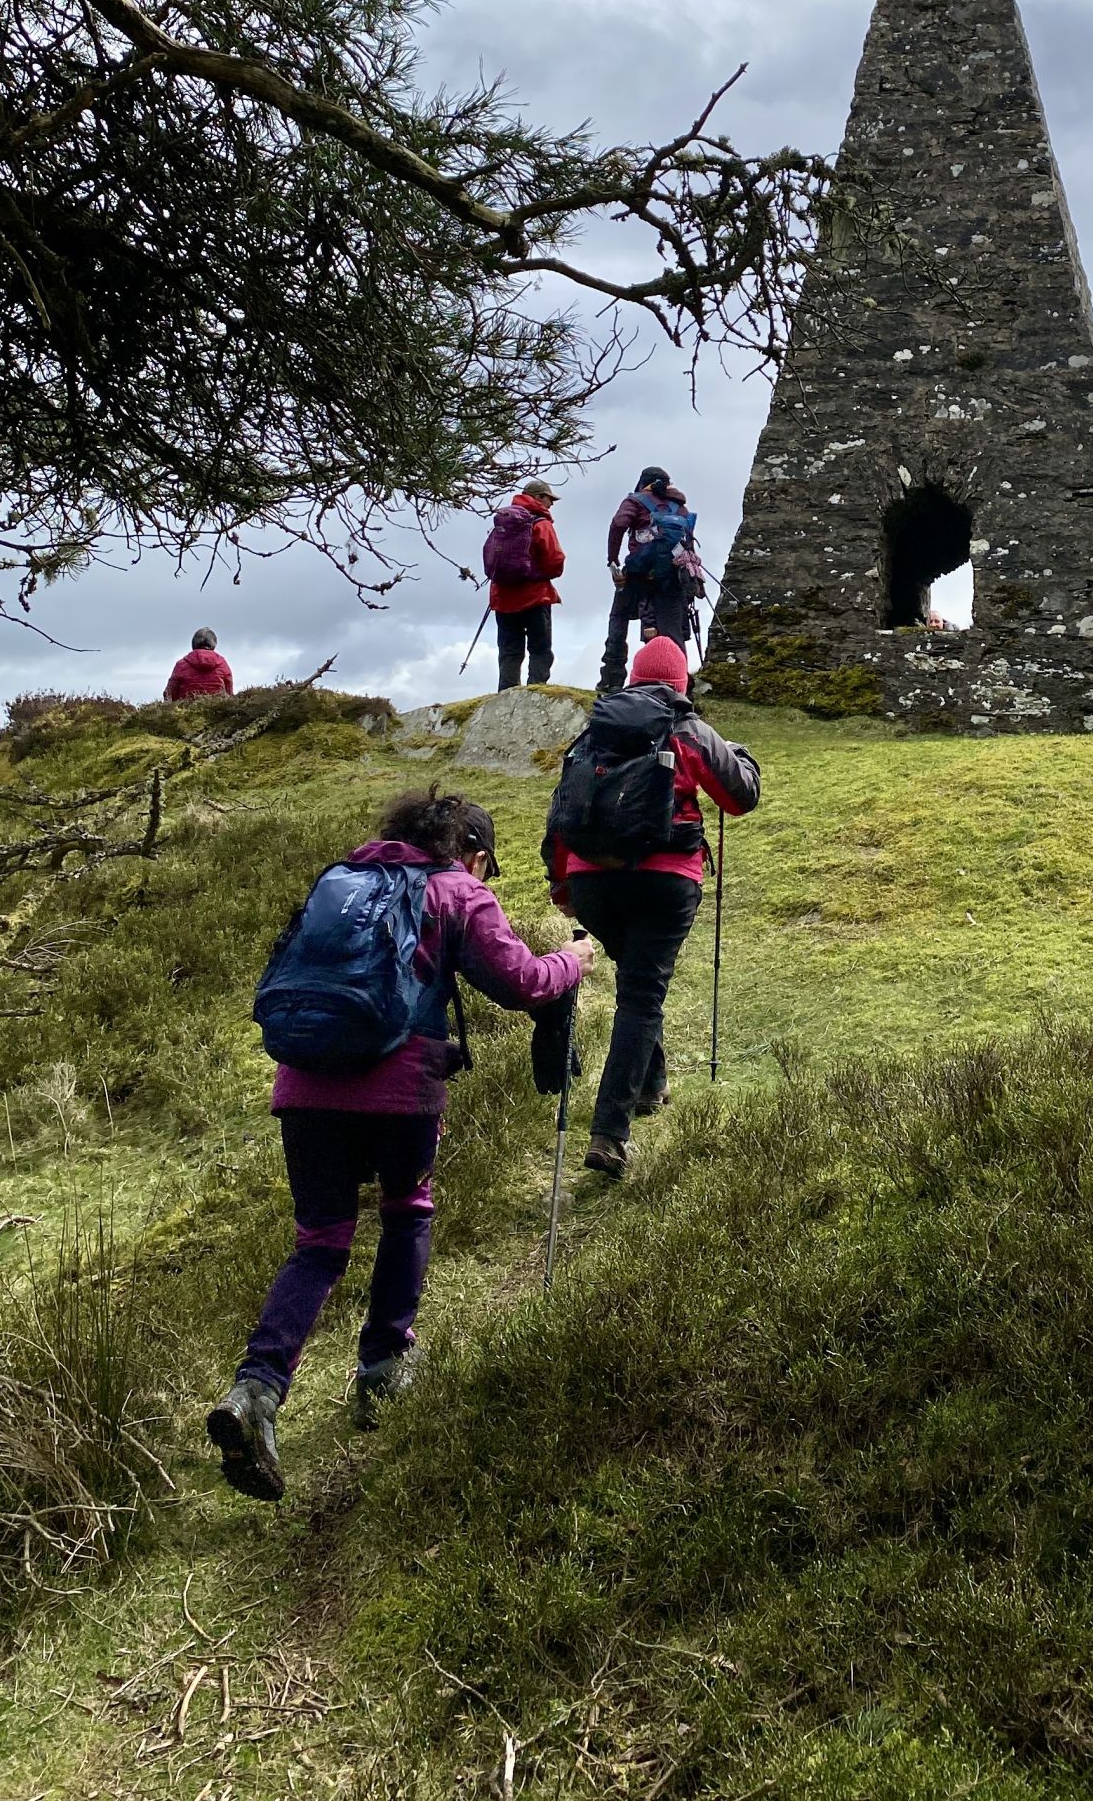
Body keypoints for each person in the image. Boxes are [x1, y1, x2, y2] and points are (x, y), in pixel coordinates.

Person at [206, 790, 594, 1502]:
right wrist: (573, 961)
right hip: (398, 1092)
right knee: (407, 1211)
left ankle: (256, 1390)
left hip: (303, 1085)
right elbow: (520, 983)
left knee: (319, 1242)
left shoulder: (340, 879)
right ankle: (383, 1369)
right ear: (473, 853)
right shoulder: (458, 891)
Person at [544, 637, 759, 1179]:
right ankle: (609, 1134)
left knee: (637, 981)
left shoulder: (592, 733)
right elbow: (741, 797)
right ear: (680, 683)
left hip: (593, 882)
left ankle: (650, 1085)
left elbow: (565, 811)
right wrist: (742, 757)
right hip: (665, 881)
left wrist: (564, 885)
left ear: (634, 678)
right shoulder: (687, 730)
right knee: (642, 995)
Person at [599, 466, 699, 692]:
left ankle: (611, 680)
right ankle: (679, 685)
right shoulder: (680, 507)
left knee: (619, 617)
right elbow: (687, 541)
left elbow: (618, 524)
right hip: (672, 575)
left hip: (638, 571)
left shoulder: (635, 501)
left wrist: (613, 560)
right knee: (672, 630)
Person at [483, 478, 564, 691]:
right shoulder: (540, 524)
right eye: (549, 498)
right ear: (538, 498)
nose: (551, 503)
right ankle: (535, 692)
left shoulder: (503, 521)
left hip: (503, 598)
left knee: (509, 650)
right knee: (540, 649)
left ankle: (506, 692)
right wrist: (543, 574)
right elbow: (555, 560)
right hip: (535, 597)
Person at [164, 628, 234, 701]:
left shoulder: (181, 664)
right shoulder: (223, 664)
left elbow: (170, 694)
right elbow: (229, 694)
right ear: (213, 644)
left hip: (185, 709)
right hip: (218, 709)